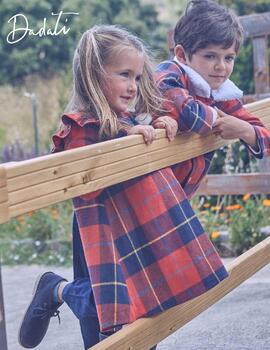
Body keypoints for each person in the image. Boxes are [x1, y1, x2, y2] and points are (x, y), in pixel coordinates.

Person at [18, 25, 179, 350]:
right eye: (124, 75)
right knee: (105, 313)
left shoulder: (130, 120)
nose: (133, 86)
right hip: (98, 230)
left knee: (146, 305)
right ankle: (56, 290)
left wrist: (158, 126)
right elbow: (80, 180)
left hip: (133, 226)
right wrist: (121, 142)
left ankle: (58, 290)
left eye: (136, 77)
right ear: (94, 74)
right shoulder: (81, 126)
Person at [155, 0, 270, 201]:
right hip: (135, 188)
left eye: (229, 58)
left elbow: (262, 134)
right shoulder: (168, 73)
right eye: (210, 56)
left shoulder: (218, 92)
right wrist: (218, 116)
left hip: (176, 196)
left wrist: (244, 130)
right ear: (181, 55)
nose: (221, 67)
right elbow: (186, 113)